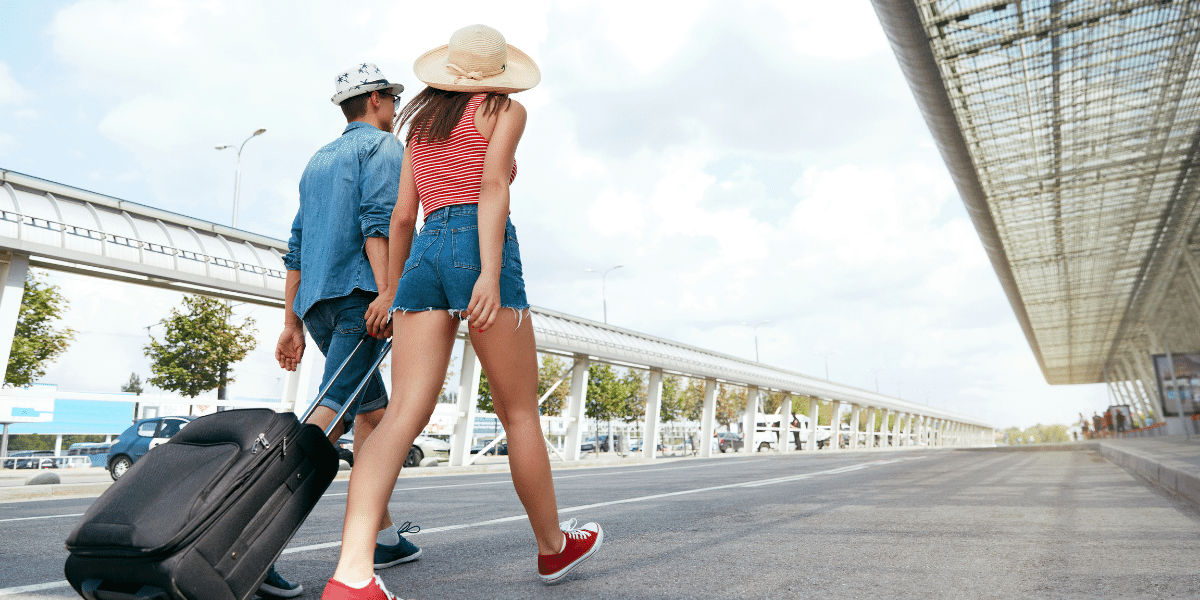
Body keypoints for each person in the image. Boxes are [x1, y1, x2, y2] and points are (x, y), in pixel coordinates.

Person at [320, 26, 602, 599]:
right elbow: (493, 184)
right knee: (519, 412)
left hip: (424, 251)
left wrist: (392, 291)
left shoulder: (417, 124)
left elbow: (402, 215)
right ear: (497, 74)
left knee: (400, 417)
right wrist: (491, 276)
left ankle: (352, 576)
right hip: (481, 244)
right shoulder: (504, 110)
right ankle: (552, 549)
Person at [271, 63, 421, 598]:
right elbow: (379, 221)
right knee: (328, 416)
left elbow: (296, 246)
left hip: (317, 306)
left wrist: (291, 322)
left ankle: (380, 536)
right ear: (378, 100)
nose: (398, 108)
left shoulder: (318, 161)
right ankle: (255, 542)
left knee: (373, 415)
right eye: (395, 100)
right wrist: (387, 293)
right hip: (362, 300)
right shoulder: (383, 149)